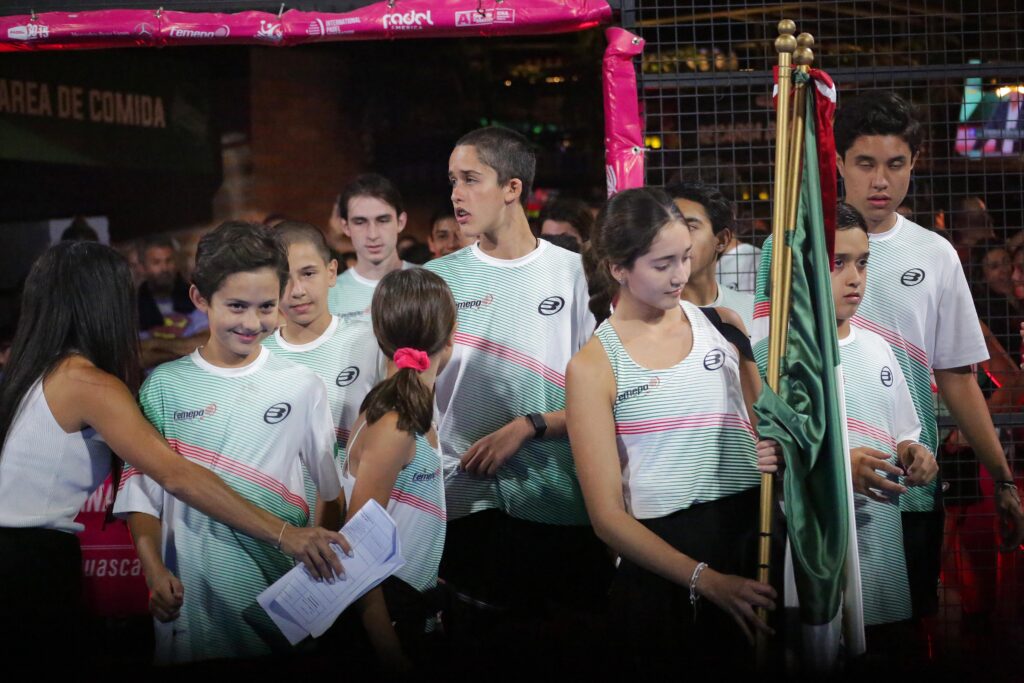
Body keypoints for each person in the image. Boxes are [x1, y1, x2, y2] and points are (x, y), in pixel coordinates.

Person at [0, 241, 348, 665]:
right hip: (27, 563)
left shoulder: (31, 373)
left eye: (263, 306)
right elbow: (176, 476)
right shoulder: (89, 383)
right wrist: (285, 534)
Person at [752, 92, 1023, 619]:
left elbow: (957, 377)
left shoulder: (936, 255)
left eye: (895, 164)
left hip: (908, 489)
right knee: (816, 639)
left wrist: (1003, 477)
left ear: (914, 163)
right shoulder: (786, 251)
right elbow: (772, 378)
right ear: (836, 162)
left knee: (905, 634)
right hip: (814, 494)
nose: (881, 180)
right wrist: (823, 459)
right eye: (865, 163)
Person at [114, 221, 346, 664]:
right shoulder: (164, 387)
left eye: (266, 307)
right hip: (193, 612)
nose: (252, 323)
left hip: (278, 608)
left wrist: (312, 565)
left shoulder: (302, 385)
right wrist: (154, 571)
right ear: (200, 298)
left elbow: (330, 493)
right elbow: (140, 496)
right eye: (236, 306)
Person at [566, 187, 775, 674]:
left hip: (754, 541)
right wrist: (706, 580)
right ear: (619, 268)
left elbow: (767, 429)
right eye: (663, 264)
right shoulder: (593, 366)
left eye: (685, 257)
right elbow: (607, 518)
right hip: (664, 573)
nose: (681, 274)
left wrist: (779, 451)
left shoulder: (724, 326)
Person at [426, 127, 612, 648]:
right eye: (452, 181)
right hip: (467, 503)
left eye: (470, 179)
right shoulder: (437, 280)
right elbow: (414, 398)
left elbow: (607, 396)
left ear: (512, 188)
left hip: (564, 498)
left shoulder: (577, 274)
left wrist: (530, 426)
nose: (457, 194)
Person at [755, 203, 936, 643]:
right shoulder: (771, 361)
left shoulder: (878, 347)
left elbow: (904, 431)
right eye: (838, 263)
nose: (855, 277)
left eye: (862, 262)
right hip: (814, 570)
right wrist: (836, 469)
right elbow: (759, 462)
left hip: (885, 560)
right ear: (800, 269)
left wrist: (915, 453)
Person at [342, 268, 455, 673]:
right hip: (389, 624)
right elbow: (355, 549)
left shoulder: (406, 408)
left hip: (411, 609)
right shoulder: (394, 424)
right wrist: (392, 656)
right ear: (451, 333)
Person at [262, 221, 385, 510]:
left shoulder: (372, 343)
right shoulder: (259, 359)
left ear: (331, 272)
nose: (297, 290)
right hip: (288, 524)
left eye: (308, 273)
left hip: (362, 515)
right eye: (283, 278)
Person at [668, 180, 755, 334]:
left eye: (690, 227)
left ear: (721, 240)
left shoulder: (752, 312)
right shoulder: (643, 318)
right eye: (667, 228)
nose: (677, 238)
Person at [327, 174, 415, 321]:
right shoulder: (328, 297)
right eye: (360, 222)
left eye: (383, 220)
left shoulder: (430, 283)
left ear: (401, 222)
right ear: (345, 227)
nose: (372, 235)